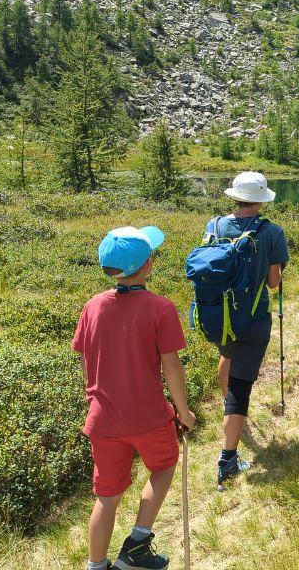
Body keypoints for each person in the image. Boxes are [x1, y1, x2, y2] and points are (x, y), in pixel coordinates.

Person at [73, 226, 196, 570]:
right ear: (148, 265)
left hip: (103, 419)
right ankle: (137, 545)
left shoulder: (93, 306)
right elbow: (172, 367)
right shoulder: (161, 307)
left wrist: (92, 398)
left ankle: (97, 566)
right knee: (164, 466)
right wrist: (183, 413)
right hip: (149, 417)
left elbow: (87, 359)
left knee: (106, 496)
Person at [209, 171, 288, 486]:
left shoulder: (214, 225)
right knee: (241, 389)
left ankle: (228, 410)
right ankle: (227, 460)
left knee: (228, 357)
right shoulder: (272, 232)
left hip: (220, 316)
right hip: (252, 319)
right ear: (260, 200)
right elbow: (272, 282)